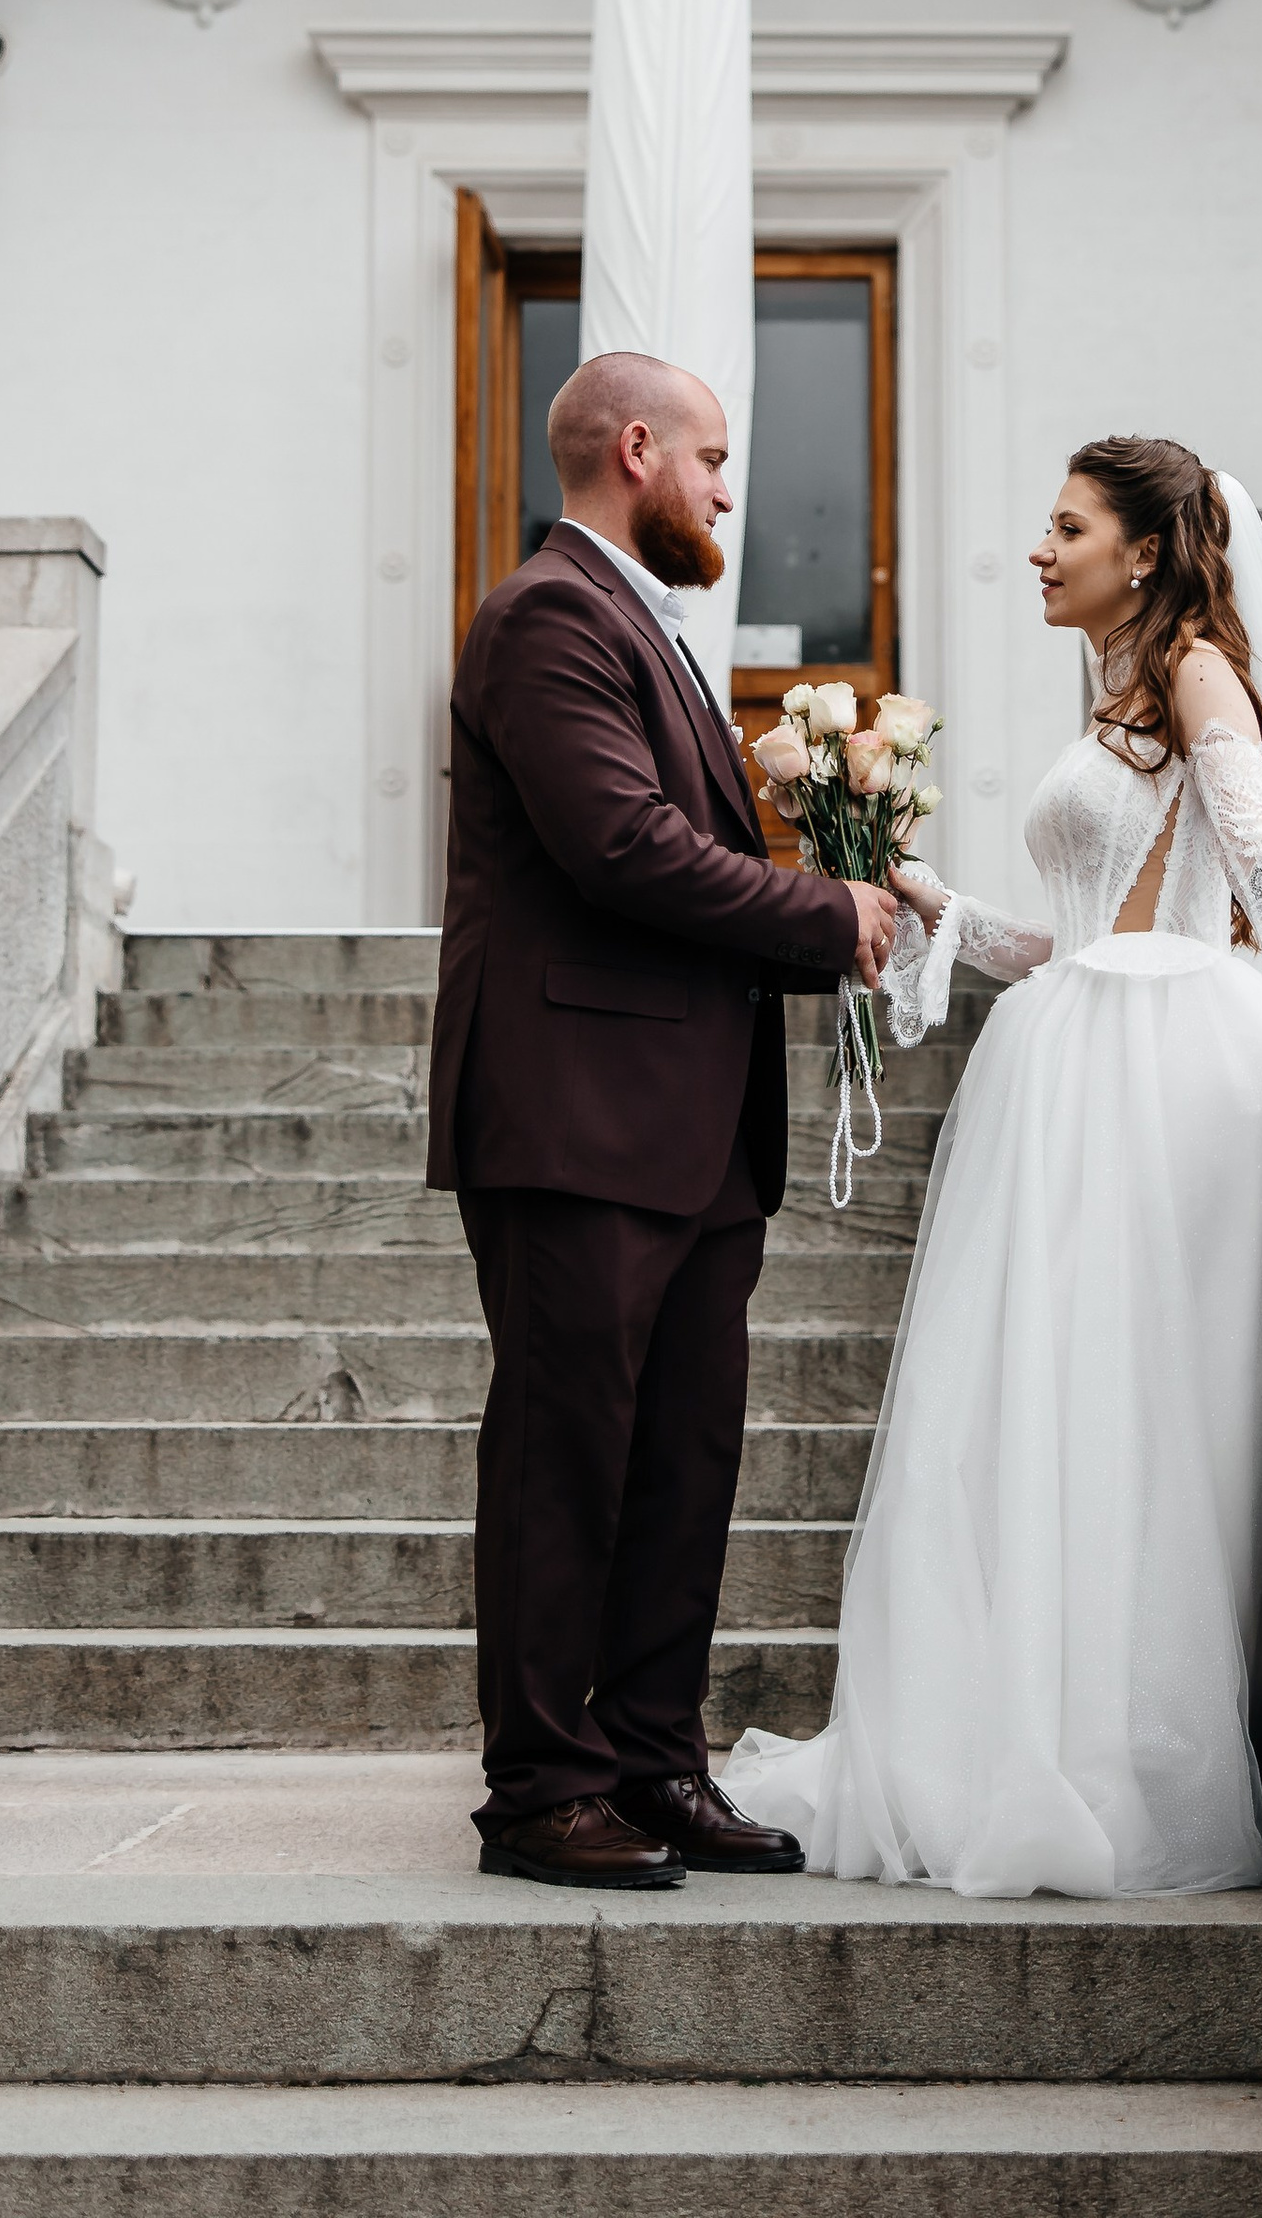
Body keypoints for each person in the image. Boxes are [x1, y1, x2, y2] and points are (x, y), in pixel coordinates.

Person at [724, 433, 1262, 1900]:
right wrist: (927, 896)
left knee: (1129, 1404)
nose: (1039, 548)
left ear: (1143, 551)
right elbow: (1070, 940)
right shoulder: (1117, 692)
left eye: (1066, 526)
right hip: (1076, 1045)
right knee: (1043, 1403)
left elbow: (1261, 862)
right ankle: (1022, 1732)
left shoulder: (1197, 673)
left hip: (1161, 1065)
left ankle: (1114, 1756)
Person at [428, 349, 903, 1892]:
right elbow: (620, 846)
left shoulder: (643, 621)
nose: (726, 491)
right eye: (711, 460)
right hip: (576, 1115)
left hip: (689, 1130)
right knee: (567, 1456)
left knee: (682, 1462)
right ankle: (541, 1790)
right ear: (637, 449)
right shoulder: (548, 615)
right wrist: (825, 910)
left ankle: (652, 1759)